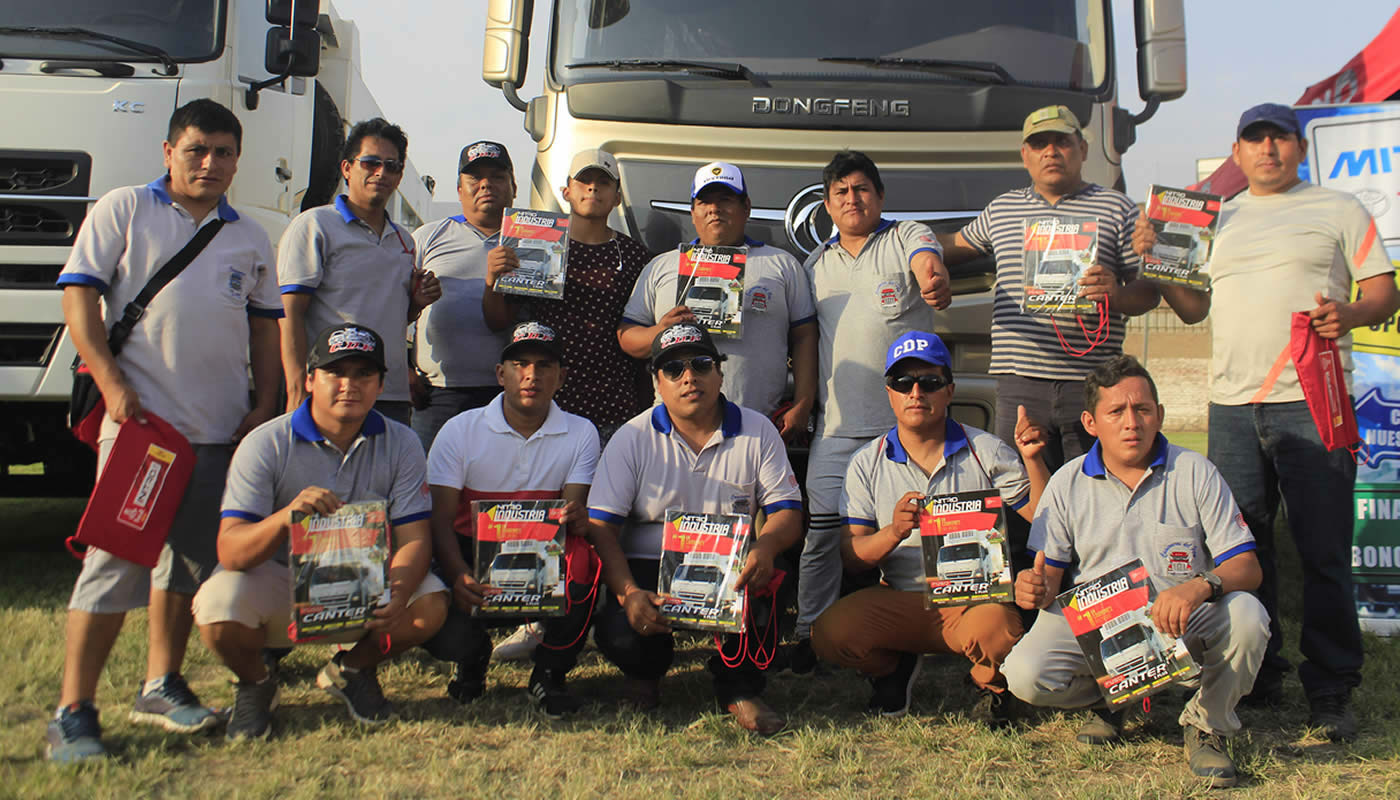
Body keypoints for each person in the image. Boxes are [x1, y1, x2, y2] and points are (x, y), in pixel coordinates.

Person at [1134, 103, 1399, 740]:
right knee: (1242, 549)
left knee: (1323, 550)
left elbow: (1383, 292)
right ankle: (1261, 673)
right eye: (1255, 139)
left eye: (1280, 138)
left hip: (1311, 401)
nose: (1268, 149)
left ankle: (1332, 689)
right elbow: (1192, 310)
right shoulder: (1215, 216)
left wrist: (1351, 314)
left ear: (1300, 150)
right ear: (1238, 150)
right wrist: (1157, 258)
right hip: (1231, 406)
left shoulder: (1339, 208)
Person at [48, 98, 283, 763]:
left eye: (224, 153)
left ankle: (161, 684)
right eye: (196, 150)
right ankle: (73, 710)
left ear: (239, 160)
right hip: (143, 429)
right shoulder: (125, 208)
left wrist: (263, 401)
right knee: (113, 565)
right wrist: (114, 387)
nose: (210, 164)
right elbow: (80, 299)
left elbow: (265, 328)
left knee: (183, 565)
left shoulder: (249, 235)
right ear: (168, 153)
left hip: (216, 430)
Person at [1001, 355, 1268, 789]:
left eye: (1142, 410)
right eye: (1116, 412)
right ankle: (1114, 700)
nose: (1132, 423)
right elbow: (1048, 576)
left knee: (1248, 616)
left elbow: (1247, 567)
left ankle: (1208, 724)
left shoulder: (1195, 472)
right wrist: (1034, 587)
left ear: (1159, 415)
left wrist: (1200, 586)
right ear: (1090, 422)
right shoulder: (1066, 482)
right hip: (1101, 627)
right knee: (1024, 675)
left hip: (1180, 618)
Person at [193, 323, 448, 739]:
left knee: (430, 604)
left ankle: (352, 669)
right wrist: (285, 517)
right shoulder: (265, 443)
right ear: (310, 379)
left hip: (364, 587)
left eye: (364, 374)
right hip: (285, 585)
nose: (350, 385)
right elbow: (231, 551)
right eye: (336, 372)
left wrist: (398, 592)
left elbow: (415, 538)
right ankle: (255, 684)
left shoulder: (401, 441)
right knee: (218, 606)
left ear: (381, 384)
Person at [810, 332, 1049, 724]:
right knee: (830, 634)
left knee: (997, 627)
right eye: (903, 383)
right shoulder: (865, 462)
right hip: (901, 599)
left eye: (930, 382)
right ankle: (894, 670)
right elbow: (851, 557)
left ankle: (990, 682)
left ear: (949, 390)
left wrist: (1033, 460)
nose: (916, 392)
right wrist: (892, 533)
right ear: (889, 393)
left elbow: (1042, 515)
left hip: (973, 600)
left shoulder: (986, 450)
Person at [586, 323, 804, 734]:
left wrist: (768, 545)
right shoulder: (631, 438)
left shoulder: (757, 430)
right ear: (657, 383)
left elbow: (788, 514)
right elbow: (601, 528)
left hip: (729, 566)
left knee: (773, 578)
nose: (689, 377)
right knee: (620, 627)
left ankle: (739, 687)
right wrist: (628, 593)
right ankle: (644, 673)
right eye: (673, 370)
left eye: (701, 364)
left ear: (720, 374)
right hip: (647, 566)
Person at [938, 105, 1158, 470]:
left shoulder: (1117, 209)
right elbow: (956, 245)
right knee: (1021, 490)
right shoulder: (1003, 209)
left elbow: (1148, 292)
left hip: (1093, 382)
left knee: (1095, 491)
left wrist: (1117, 295)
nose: (1051, 152)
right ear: (1025, 155)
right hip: (1020, 383)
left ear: (1083, 150)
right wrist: (901, 239)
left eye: (1062, 142)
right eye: (1039, 144)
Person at [796, 150, 951, 662]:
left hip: (905, 431)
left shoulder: (905, 236)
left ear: (879, 196)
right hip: (837, 429)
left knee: (920, 533)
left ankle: (940, 628)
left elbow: (926, 258)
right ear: (826, 204)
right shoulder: (814, 265)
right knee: (821, 536)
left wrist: (931, 275)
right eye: (840, 192)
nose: (852, 199)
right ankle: (810, 637)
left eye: (861, 189)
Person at [420, 321, 603, 718]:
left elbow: (572, 521)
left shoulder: (581, 432)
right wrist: (457, 575)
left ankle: (549, 674)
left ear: (562, 378)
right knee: (441, 621)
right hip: (469, 551)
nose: (531, 375)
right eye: (520, 364)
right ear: (500, 374)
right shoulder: (459, 430)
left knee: (586, 564)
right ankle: (471, 658)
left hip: (539, 551)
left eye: (544, 365)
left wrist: (576, 515)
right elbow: (440, 521)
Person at [616, 162, 817, 432]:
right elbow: (626, 336)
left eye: (725, 200)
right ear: (693, 211)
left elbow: (805, 336)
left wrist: (803, 403)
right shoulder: (661, 266)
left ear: (746, 207)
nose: (714, 209)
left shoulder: (782, 264)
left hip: (756, 427)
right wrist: (659, 332)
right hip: (673, 429)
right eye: (705, 202)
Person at [482, 149, 653, 443]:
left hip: (614, 401)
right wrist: (492, 280)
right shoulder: (534, 242)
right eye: (584, 181)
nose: (593, 188)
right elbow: (499, 321)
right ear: (566, 191)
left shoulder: (635, 255)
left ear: (617, 197)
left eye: (604, 182)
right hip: (546, 398)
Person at [278, 118, 441, 426]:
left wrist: (417, 303)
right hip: (331, 391)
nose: (381, 173)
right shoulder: (314, 226)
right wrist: (298, 390)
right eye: (370, 162)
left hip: (390, 394)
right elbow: (290, 314)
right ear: (347, 168)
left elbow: (391, 316)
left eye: (392, 166)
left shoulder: (405, 241)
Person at [410, 140, 518, 453]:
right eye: (474, 179)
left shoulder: (534, 242)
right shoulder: (427, 236)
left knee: (495, 492)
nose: (486, 185)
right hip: (437, 395)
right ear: (459, 189)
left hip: (508, 396)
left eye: (497, 177)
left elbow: (505, 320)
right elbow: (395, 307)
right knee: (428, 492)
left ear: (513, 186)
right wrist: (402, 365)